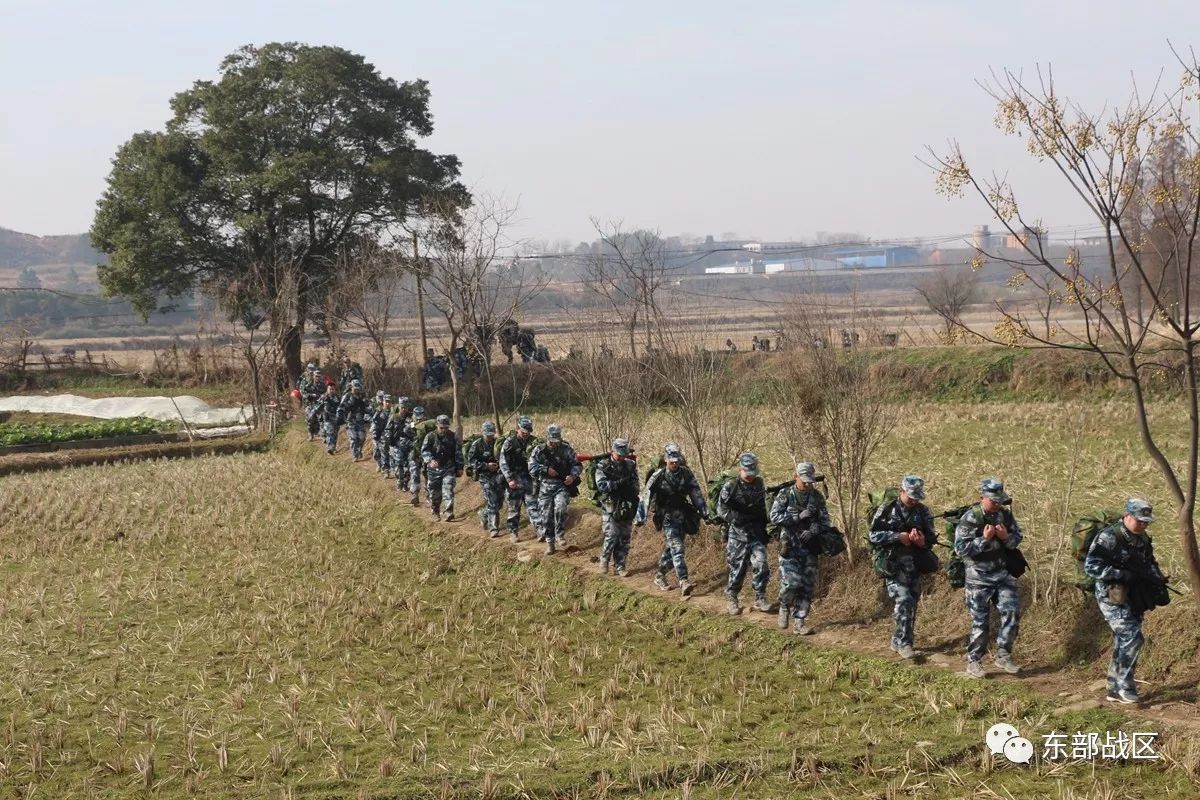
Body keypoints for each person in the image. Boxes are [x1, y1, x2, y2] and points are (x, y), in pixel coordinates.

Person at [1084, 498, 1169, 704]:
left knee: (1123, 640)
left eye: (1146, 521)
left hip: (1134, 595)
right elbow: (1091, 566)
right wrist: (1119, 573)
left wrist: (1156, 578)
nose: (1143, 525)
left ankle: (1113, 687)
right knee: (1133, 637)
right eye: (1140, 521)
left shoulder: (1143, 538)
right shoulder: (1109, 537)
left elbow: (1149, 561)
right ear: (1127, 517)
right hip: (1111, 595)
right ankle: (1125, 686)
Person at [954, 478, 1025, 678]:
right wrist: (983, 540)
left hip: (1003, 575)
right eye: (993, 501)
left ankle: (1003, 655)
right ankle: (974, 661)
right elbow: (960, 549)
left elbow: (1017, 538)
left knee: (1012, 613)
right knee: (980, 622)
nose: (997, 505)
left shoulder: (1005, 515)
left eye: (999, 501)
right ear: (982, 498)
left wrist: (1005, 538)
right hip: (978, 578)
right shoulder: (971, 518)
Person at [868, 475, 938, 658]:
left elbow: (932, 539)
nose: (914, 500)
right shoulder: (886, 509)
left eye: (917, 497)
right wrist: (897, 537)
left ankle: (897, 639)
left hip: (914, 564)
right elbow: (873, 535)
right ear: (901, 492)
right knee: (904, 600)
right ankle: (906, 644)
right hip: (892, 564)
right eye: (911, 496)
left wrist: (922, 542)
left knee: (911, 603)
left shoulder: (923, 512)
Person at [769, 462, 831, 634]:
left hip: (809, 547)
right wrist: (795, 517)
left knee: (807, 585)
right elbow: (774, 517)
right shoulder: (785, 494)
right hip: (789, 546)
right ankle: (783, 606)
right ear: (795, 477)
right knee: (792, 582)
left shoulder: (817, 497)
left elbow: (825, 521)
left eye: (810, 481)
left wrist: (814, 529)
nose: (808, 485)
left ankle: (800, 622)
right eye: (804, 481)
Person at [642, 443, 707, 598]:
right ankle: (683, 581)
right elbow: (645, 497)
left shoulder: (686, 474)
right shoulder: (657, 476)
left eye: (676, 461)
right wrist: (641, 517)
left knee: (672, 550)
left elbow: (696, 493)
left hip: (683, 516)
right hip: (667, 517)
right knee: (678, 549)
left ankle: (659, 575)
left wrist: (705, 513)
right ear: (665, 460)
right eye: (671, 461)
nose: (674, 464)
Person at [717, 452, 772, 616]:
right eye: (747, 472)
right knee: (737, 569)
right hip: (738, 535)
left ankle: (760, 597)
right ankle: (732, 598)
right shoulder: (731, 486)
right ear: (740, 469)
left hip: (755, 533)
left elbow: (764, 506)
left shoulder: (759, 484)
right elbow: (721, 509)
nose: (750, 476)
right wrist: (735, 518)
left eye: (752, 472)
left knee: (761, 564)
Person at [528, 424, 581, 554]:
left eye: (556, 441)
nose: (554, 444)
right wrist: (545, 469)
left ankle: (560, 535)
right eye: (552, 441)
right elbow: (531, 467)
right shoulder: (539, 450)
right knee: (546, 516)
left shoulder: (567, 449)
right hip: (545, 487)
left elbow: (577, 465)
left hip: (561, 486)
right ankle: (550, 543)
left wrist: (572, 476)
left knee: (561, 507)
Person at [595, 438, 640, 576]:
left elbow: (636, 484)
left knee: (625, 537)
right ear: (612, 451)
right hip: (610, 505)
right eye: (619, 454)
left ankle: (620, 565)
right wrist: (618, 484)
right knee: (612, 534)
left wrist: (631, 489)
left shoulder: (630, 465)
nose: (621, 457)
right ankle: (604, 560)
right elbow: (602, 486)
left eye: (623, 455)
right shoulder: (603, 466)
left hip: (626, 505)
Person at [499, 416, 542, 541]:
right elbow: (503, 462)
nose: (525, 434)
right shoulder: (509, 442)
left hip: (529, 479)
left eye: (528, 432)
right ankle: (513, 532)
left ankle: (540, 530)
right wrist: (509, 479)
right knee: (514, 507)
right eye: (523, 432)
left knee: (533, 506)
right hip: (514, 479)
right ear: (518, 429)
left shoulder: (534, 442)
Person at [420, 414, 463, 522]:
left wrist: (460, 467)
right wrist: (430, 460)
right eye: (441, 427)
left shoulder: (453, 437)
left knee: (448, 488)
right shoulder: (430, 436)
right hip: (434, 470)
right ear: (437, 425)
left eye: (446, 427)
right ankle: (435, 511)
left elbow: (458, 453)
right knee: (435, 493)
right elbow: (424, 450)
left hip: (448, 468)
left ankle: (449, 512)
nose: (444, 430)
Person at [467, 421, 506, 537]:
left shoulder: (498, 443)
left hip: (498, 476)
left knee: (499, 503)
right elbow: (471, 461)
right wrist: (486, 466)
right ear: (482, 432)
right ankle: (493, 528)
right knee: (493, 501)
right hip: (485, 477)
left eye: (491, 434)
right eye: (487, 434)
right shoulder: (477, 444)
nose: (489, 437)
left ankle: (484, 514)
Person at [338, 379, 372, 462]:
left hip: (361, 420)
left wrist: (368, 409)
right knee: (353, 438)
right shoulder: (347, 396)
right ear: (351, 387)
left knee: (361, 438)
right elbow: (341, 407)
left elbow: (369, 407)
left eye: (358, 388)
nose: (356, 390)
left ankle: (358, 450)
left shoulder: (362, 396)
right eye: (355, 388)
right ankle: (354, 455)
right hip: (350, 420)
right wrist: (341, 416)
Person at [383, 397, 413, 483]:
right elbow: (388, 429)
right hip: (396, 444)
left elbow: (414, 429)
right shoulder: (394, 417)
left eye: (405, 408)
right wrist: (388, 438)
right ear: (399, 407)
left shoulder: (411, 418)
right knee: (399, 462)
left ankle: (406, 482)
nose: (404, 409)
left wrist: (410, 430)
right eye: (402, 407)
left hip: (409, 444)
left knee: (408, 464)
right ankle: (399, 481)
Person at [313, 383, 342, 454]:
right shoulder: (324, 397)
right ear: (327, 389)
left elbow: (342, 407)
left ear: (335, 390)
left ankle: (333, 447)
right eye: (330, 389)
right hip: (327, 418)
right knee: (330, 432)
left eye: (333, 389)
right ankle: (330, 448)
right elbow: (317, 407)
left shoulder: (338, 398)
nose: (331, 390)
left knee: (335, 433)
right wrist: (314, 413)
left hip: (336, 418)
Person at [298, 364, 324, 441]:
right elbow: (302, 391)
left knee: (320, 418)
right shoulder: (305, 380)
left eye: (313, 370)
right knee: (310, 419)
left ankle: (319, 433)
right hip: (308, 403)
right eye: (311, 370)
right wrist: (310, 395)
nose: (312, 372)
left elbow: (325, 391)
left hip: (318, 403)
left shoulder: (320, 382)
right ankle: (310, 434)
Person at [370, 395, 392, 474]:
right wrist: (375, 433)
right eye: (386, 402)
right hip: (378, 434)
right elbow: (374, 422)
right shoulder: (379, 411)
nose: (388, 403)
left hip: (386, 435)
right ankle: (379, 464)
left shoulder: (393, 413)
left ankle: (386, 469)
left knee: (384, 451)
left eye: (389, 402)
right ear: (383, 402)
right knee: (376, 452)